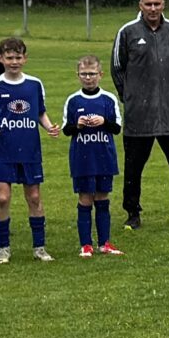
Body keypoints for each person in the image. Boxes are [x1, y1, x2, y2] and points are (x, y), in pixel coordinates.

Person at [113, 0, 169, 230]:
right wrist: (129, 96)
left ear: (163, 4)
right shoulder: (127, 32)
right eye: (148, 4)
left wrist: (168, 92)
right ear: (140, 5)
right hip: (140, 115)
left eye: (156, 4)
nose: (152, 8)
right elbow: (118, 68)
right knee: (134, 167)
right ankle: (132, 212)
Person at [0, 34, 58, 263]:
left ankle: (39, 247)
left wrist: (49, 126)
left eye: (18, 57)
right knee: (2, 198)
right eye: (9, 57)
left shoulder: (34, 84)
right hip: (2, 150)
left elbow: (40, 111)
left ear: (25, 58)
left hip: (29, 150)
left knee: (34, 196)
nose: (14, 62)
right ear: (1, 59)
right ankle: (3, 247)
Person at [63, 56, 124, 257]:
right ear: (78, 75)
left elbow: (116, 128)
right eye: (84, 74)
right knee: (85, 199)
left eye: (92, 74)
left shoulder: (109, 99)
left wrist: (103, 122)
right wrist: (78, 125)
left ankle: (104, 242)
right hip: (82, 159)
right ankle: (86, 244)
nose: (88, 78)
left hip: (104, 157)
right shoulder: (73, 101)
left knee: (102, 197)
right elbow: (66, 130)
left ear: (100, 74)